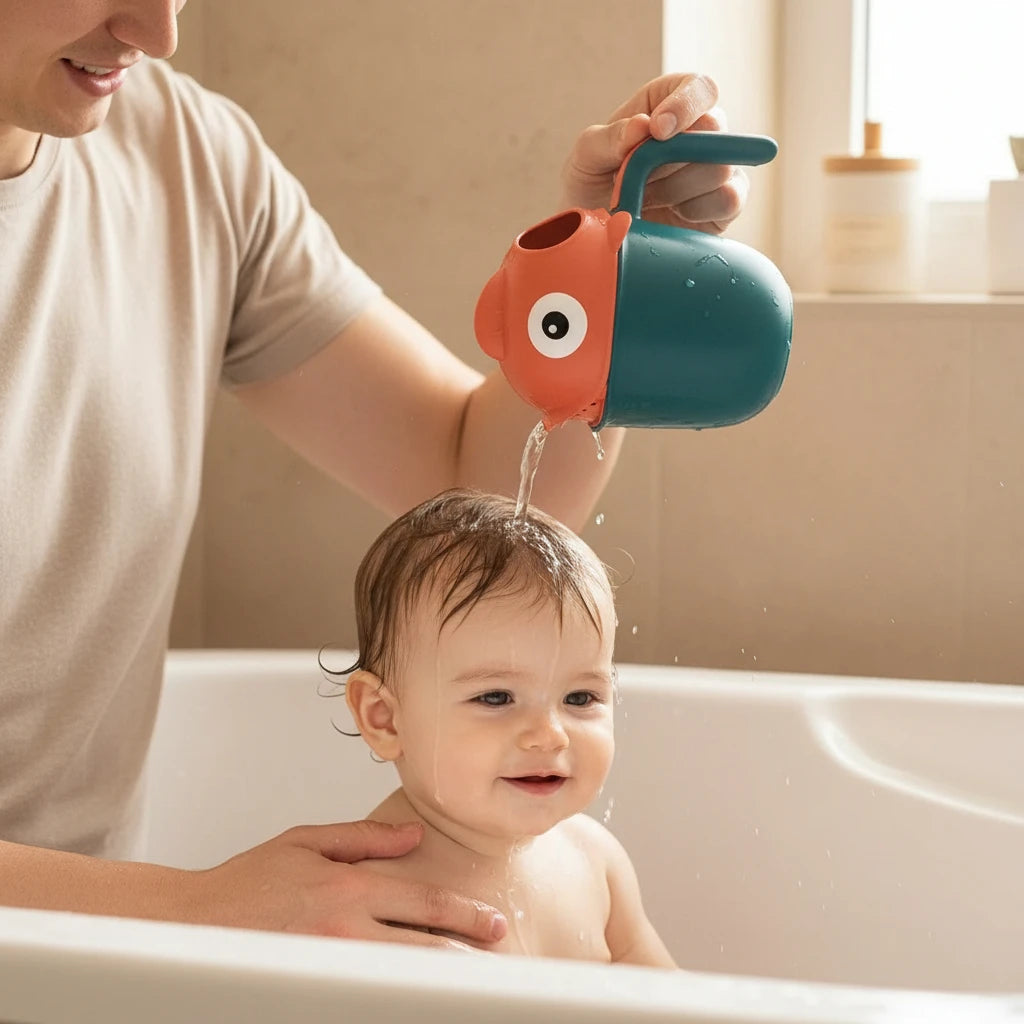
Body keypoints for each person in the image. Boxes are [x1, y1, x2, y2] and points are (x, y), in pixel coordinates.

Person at [0, 0, 746, 949]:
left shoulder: (183, 153)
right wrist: (191, 909)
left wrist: (607, 280)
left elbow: (488, 491)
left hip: (87, 965)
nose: (158, 32)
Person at [336, 488, 675, 967]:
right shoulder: (370, 897)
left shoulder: (595, 859)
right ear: (384, 718)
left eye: (580, 698)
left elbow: (670, 998)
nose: (550, 734)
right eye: (496, 698)